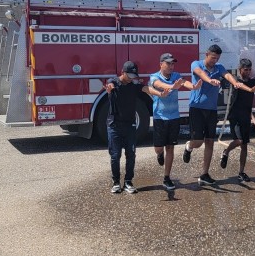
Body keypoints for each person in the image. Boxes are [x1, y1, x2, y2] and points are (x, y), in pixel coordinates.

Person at [182, 44, 243, 187]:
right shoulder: (196, 64)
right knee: (198, 142)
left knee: (209, 141)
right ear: (207, 54)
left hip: (211, 110)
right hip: (196, 108)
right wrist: (210, 80)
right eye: (213, 57)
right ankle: (189, 147)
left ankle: (204, 174)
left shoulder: (219, 67)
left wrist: (235, 83)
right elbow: (201, 74)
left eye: (217, 58)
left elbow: (227, 75)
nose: (214, 61)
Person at [104, 61, 165, 194]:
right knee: (115, 155)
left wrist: (159, 94)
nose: (132, 78)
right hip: (114, 125)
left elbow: (146, 88)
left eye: (134, 75)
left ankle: (128, 182)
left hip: (130, 125)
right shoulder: (114, 82)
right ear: (122, 72)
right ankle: (115, 183)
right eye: (129, 75)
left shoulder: (134, 85)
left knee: (131, 154)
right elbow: (110, 84)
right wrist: (109, 88)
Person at [149, 53, 202, 195]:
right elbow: (159, 85)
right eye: (168, 63)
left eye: (173, 64)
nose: (171, 66)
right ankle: (159, 154)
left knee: (170, 148)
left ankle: (167, 177)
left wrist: (194, 87)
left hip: (174, 117)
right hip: (159, 117)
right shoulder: (154, 77)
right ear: (161, 64)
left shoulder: (176, 75)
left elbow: (183, 82)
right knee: (158, 148)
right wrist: (173, 86)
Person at [218, 58, 255, 183]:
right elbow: (241, 86)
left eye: (249, 70)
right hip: (235, 116)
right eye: (245, 70)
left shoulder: (253, 81)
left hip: (246, 117)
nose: (247, 72)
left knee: (244, 145)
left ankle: (241, 172)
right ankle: (226, 152)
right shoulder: (236, 80)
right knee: (239, 140)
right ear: (240, 69)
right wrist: (250, 90)